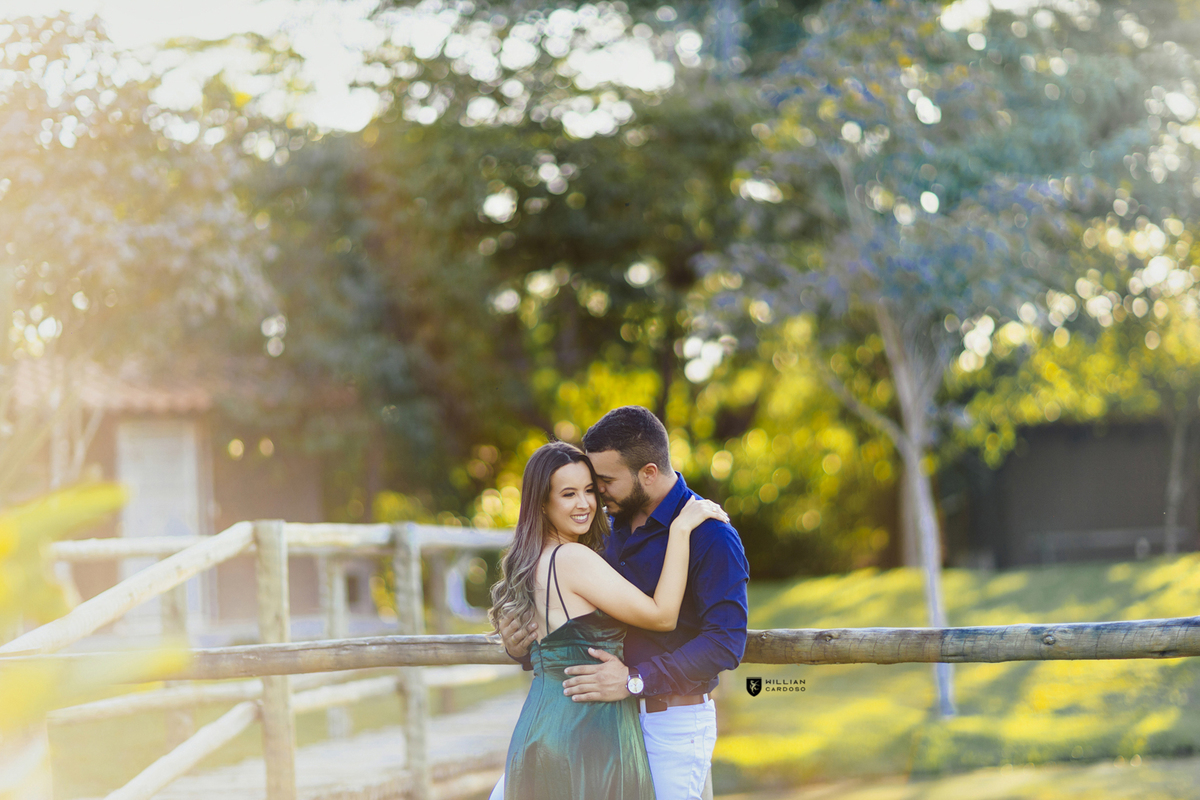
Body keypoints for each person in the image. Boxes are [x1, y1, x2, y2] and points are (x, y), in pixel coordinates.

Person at [497, 406, 750, 800]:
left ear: (647, 473)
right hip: (602, 723)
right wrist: (524, 647)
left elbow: (726, 642)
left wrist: (635, 680)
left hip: (670, 722)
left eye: (603, 481)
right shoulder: (603, 530)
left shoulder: (711, 535)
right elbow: (575, 622)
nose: (594, 494)